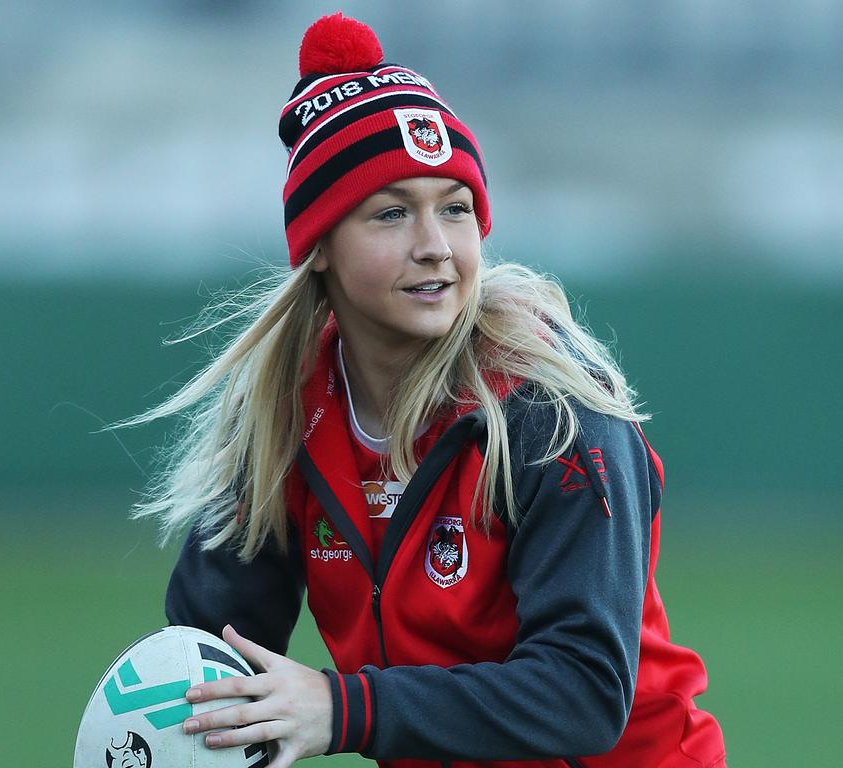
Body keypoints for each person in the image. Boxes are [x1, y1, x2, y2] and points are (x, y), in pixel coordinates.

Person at [130, 12, 727, 768]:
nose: (435, 246)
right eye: (392, 213)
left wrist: (342, 709)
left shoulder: (551, 412)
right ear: (318, 246)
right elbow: (205, 657)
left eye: (454, 208)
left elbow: (583, 694)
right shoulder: (285, 414)